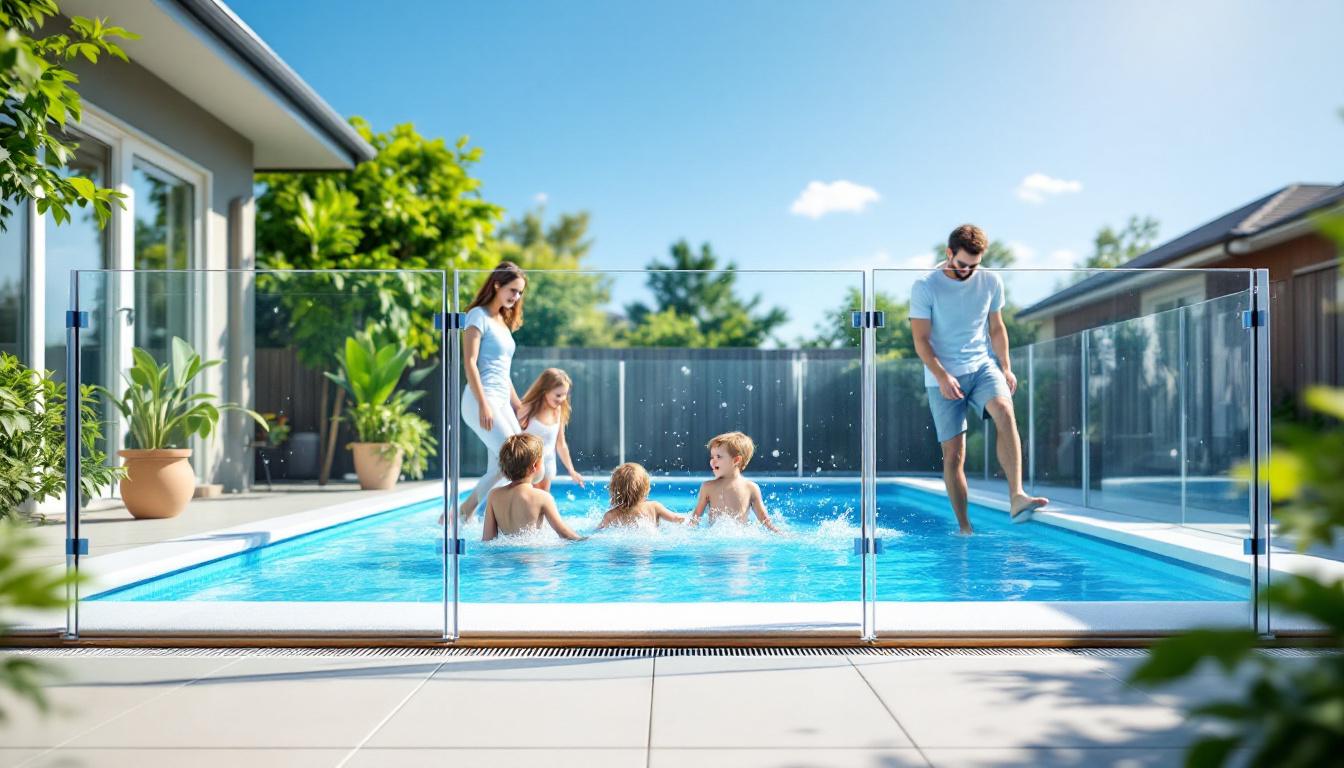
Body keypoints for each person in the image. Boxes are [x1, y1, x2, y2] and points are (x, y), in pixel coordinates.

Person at [909, 224, 1048, 534]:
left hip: (982, 366)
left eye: (974, 265)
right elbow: (921, 340)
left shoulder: (989, 281)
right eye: (961, 265)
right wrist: (943, 376)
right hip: (941, 376)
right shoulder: (925, 286)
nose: (968, 272)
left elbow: (996, 328)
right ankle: (965, 527)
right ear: (948, 254)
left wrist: (1006, 366)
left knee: (1004, 410)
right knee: (954, 455)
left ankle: (1017, 495)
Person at [457, 261, 527, 522]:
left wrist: (518, 405)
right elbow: (470, 363)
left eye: (519, 292)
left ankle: (489, 519)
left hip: (500, 402)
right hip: (479, 400)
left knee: (506, 462)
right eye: (512, 290)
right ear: (496, 284)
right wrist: (484, 404)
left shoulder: (502, 321)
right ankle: (464, 511)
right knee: (513, 461)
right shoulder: (478, 315)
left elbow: (503, 373)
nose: (515, 296)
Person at [482, 434, 585, 541]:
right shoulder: (542, 497)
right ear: (535, 466)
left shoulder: (494, 495)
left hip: (503, 557)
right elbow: (563, 532)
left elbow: (487, 540)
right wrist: (585, 540)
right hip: (531, 557)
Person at [689, 431, 780, 532]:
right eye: (712, 457)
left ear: (736, 460)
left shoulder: (751, 488)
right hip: (716, 539)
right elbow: (695, 518)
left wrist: (778, 532)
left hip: (739, 540)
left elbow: (764, 519)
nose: (712, 461)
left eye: (718, 457)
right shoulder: (708, 487)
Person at [518, 367, 586, 491]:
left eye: (565, 394)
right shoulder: (527, 409)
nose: (562, 399)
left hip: (547, 463)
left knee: (543, 503)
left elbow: (560, 443)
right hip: (527, 466)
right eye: (558, 395)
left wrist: (571, 470)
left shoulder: (559, 410)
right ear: (545, 391)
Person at [596, 462, 685, 529]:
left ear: (614, 489)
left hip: (621, 551)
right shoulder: (654, 507)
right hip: (646, 550)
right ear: (646, 488)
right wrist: (691, 519)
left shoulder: (610, 515)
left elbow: (597, 533)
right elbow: (676, 518)